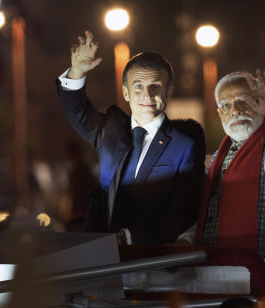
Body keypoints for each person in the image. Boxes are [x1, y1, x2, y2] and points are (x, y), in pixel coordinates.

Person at [56, 31, 205, 244]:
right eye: (138, 87)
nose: (147, 94)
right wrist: (77, 71)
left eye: (156, 86)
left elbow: (185, 209)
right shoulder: (111, 130)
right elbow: (77, 111)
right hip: (99, 254)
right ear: (125, 93)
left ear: (169, 91)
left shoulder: (185, 142)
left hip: (151, 259)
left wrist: (131, 238)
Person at [194, 69, 265, 288]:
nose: (236, 110)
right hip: (225, 281)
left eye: (244, 101)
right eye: (226, 105)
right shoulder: (221, 153)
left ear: (262, 102)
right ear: (219, 113)